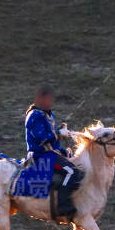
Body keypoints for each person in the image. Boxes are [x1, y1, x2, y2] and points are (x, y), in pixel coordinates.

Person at [24, 85, 84, 219]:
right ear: (40, 100)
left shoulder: (48, 114)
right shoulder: (34, 116)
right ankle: (63, 206)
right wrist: (58, 133)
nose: (50, 102)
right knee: (73, 172)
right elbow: (42, 138)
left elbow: (53, 142)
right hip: (41, 156)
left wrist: (62, 150)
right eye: (47, 100)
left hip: (51, 154)